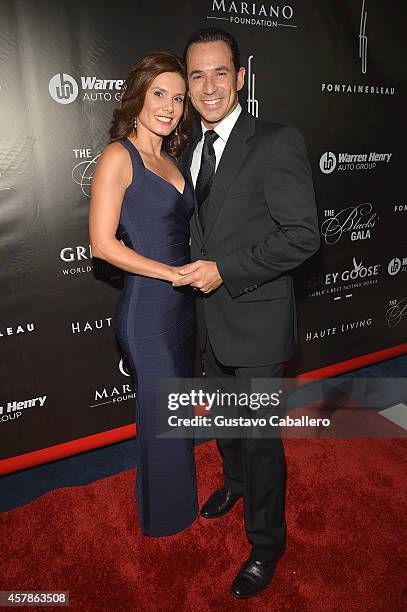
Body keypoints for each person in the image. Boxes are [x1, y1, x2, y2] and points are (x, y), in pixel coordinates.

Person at [173, 28, 320, 598]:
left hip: (257, 321)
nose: (209, 86)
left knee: (259, 437)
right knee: (228, 426)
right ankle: (234, 483)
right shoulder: (187, 152)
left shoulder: (277, 141)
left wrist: (226, 270)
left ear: (240, 77)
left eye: (219, 73)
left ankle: (266, 543)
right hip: (209, 322)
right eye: (196, 75)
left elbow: (302, 235)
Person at [89, 52, 199, 536]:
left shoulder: (170, 158)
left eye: (178, 98)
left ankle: (178, 504)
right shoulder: (119, 156)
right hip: (149, 310)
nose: (170, 106)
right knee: (162, 411)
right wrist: (169, 273)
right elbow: (102, 244)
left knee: (175, 411)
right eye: (160, 94)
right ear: (138, 97)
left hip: (182, 305)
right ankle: (164, 519)